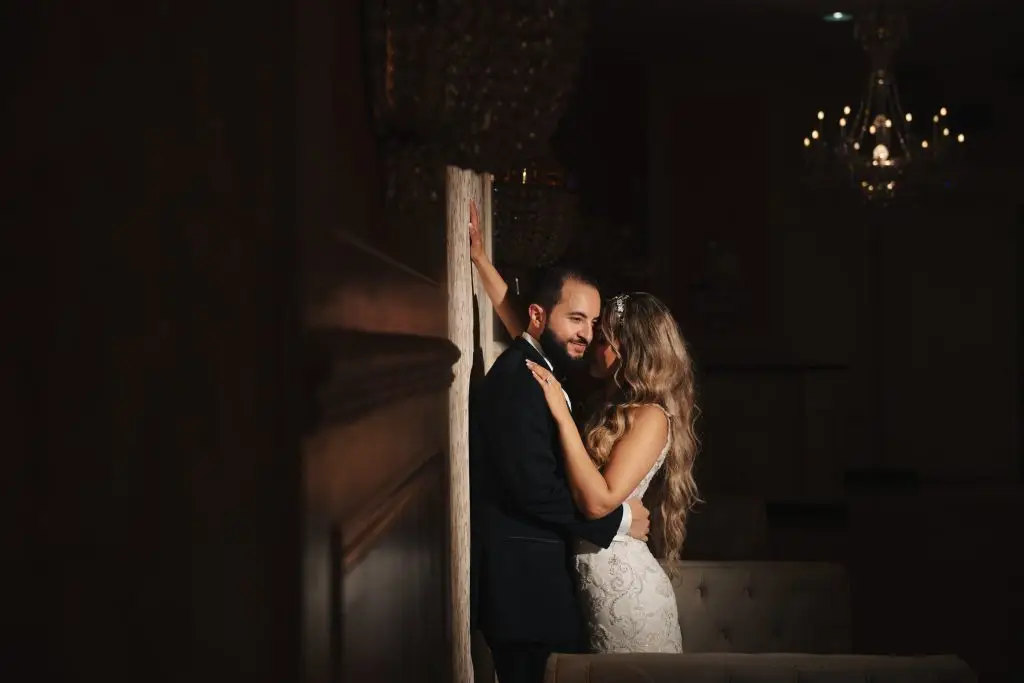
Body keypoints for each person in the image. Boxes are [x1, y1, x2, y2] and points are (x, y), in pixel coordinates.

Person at [470, 202, 701, 655]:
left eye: (601, 334)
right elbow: (533, 326)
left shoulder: (649, 415)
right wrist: (481, 262)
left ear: (628, 352)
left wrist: (560, 413)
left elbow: (596, 497)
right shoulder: (580, 390)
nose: (590, 339)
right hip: (574, 580)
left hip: (622, 589)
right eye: (585, 325)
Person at [469, 261, 651, 683]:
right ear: (538, 316)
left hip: (538, 590)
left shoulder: (542, 370)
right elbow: (535, 490)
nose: (586, 333)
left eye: (593, 322)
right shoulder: (519, 379)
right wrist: (621, 519)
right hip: (523, 591)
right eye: (575, 319)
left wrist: (482, 262)